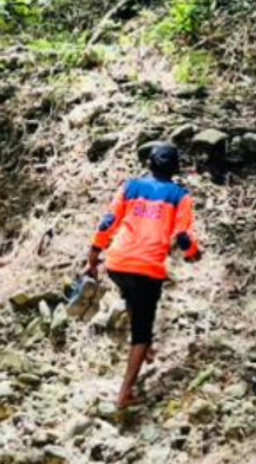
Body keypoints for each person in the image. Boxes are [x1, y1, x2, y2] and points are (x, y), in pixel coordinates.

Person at [83, 143, 202, 411]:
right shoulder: (179, 196)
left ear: (149, 163)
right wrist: (194, 253)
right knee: (142, 332)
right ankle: (125, 392)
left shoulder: (130, 187)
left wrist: (92, 257)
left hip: (117, 264)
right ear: (175, 169)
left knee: (132, 296)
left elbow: (108, 222)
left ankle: (145, 351)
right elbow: (183, 237)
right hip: (147, 269)